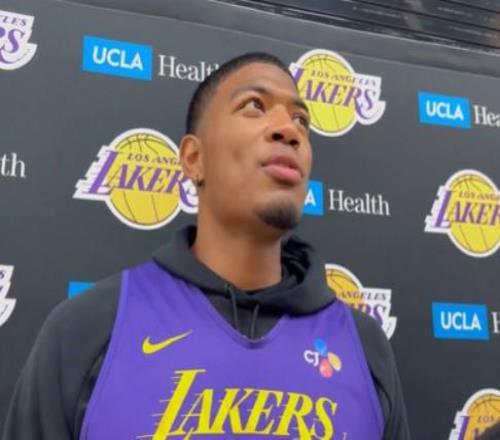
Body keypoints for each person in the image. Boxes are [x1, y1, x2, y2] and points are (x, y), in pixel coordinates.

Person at [2, 52, 410, 439]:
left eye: (301, 120)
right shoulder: (87, 330)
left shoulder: (364, 348)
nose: (289, 130)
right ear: (193, 158)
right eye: (254, 105)